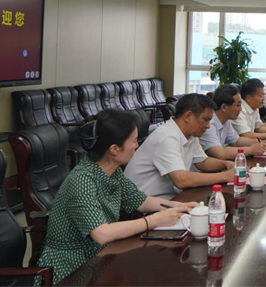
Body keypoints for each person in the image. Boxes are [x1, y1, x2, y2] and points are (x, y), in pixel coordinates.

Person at [37, 109, 197, 285]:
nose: (137, 145)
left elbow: (140, 201)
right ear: (114, 149)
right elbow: (102, 233)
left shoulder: (112, 171)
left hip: (100, 256)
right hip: (72, 267)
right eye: (134, 141)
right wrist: (154, 221)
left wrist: (178, 206)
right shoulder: (81, 180)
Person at [125, 94, 235, 200]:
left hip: (168, 199)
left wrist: (226, 164)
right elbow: (181, 180)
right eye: (205, 120)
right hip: (143, 205)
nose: (208, 126)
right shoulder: (167, 137)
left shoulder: (190, 134)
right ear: (188, 116)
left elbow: (203, 162)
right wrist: (225, 176)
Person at [200, 84, 266, 160]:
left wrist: (259, 142)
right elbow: (221, 153)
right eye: (238, 105)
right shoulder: (208, 124)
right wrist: (251, 150)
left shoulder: (226, 121)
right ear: (224, 107)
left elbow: (237, 141)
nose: (240, 109)